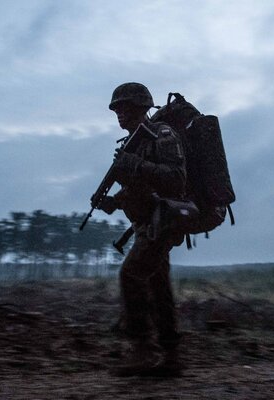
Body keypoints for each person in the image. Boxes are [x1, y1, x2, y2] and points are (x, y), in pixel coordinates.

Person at [96, 82, 187, 377]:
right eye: (116, 109)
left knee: (132, 274)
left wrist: (133, 163)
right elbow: (139, 188)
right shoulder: (134, 143)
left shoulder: (162, 135)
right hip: (148, 224)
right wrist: (113, 202)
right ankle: (170, 357)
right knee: (158, 286)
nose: (119, 113)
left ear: (140, 107)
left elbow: (175, 179)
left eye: (124, 107)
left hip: (164, 221)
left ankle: (143, 350)